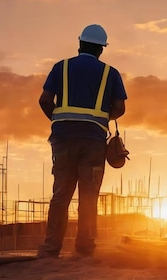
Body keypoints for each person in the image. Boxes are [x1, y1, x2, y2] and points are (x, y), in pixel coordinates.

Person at [37, 24, 127, 258]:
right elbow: (119, 107)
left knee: (61, 195)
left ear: (79, 44)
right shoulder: (111, 73)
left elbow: (45, 100)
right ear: (101, 50)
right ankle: (85, 247)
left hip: (63, 139)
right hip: (93, 141)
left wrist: (59, 119)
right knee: (89, 196)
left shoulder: (61, 67)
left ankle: (50, 249)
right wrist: (99, 118)